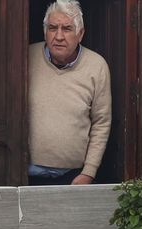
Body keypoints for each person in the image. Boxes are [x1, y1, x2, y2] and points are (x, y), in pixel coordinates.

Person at [28, 0, 112, 186]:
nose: (58, 36)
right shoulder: (26, 57)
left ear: (80, 34)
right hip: (23, 173)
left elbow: (101, 123)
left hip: (73, 177)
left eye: (66, 29)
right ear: (45, 32)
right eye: (52, 28)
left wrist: (88, 173)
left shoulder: (96, 66)